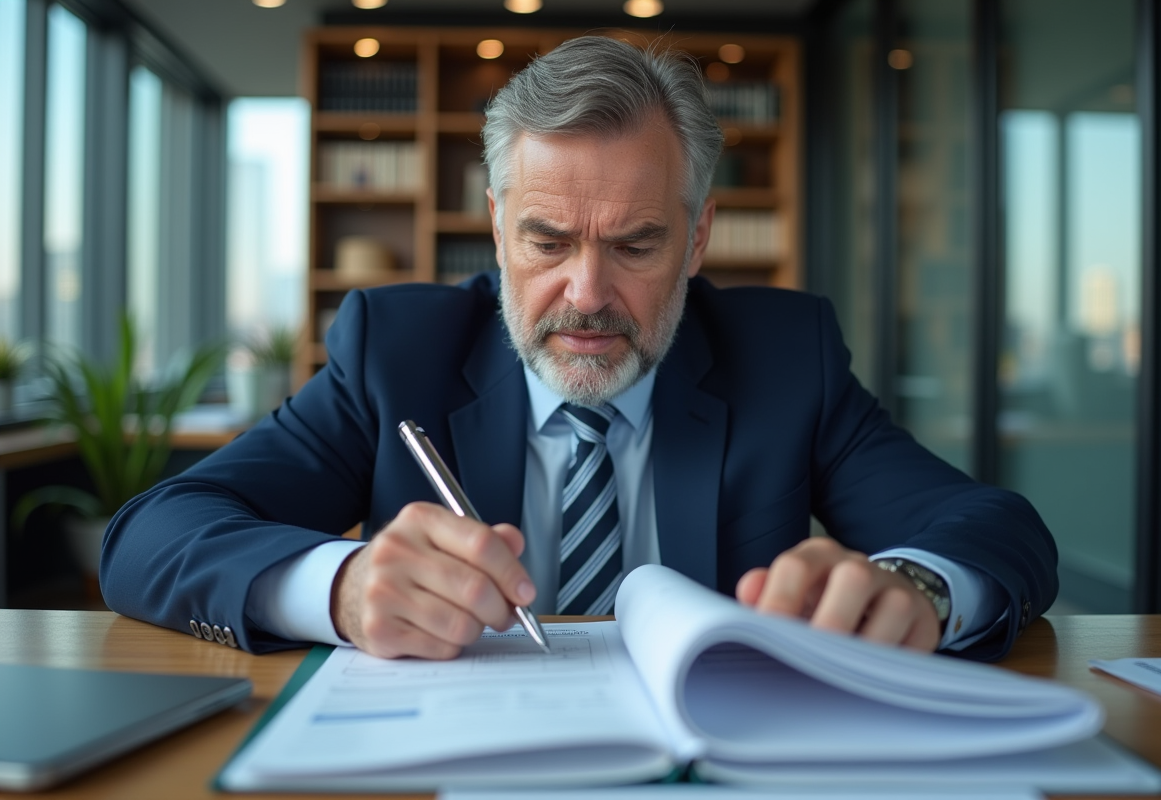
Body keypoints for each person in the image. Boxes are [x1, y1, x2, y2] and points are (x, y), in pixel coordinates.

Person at [100, 36, 1056, 664]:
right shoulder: (396, 352)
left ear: (696, 239)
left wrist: (918, 586)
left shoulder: (783, 356)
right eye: (547, 241)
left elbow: (993, 527)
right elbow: (151, 535)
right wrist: (340, 586)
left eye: (637, 245)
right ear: (496, 225)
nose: (587, 293)